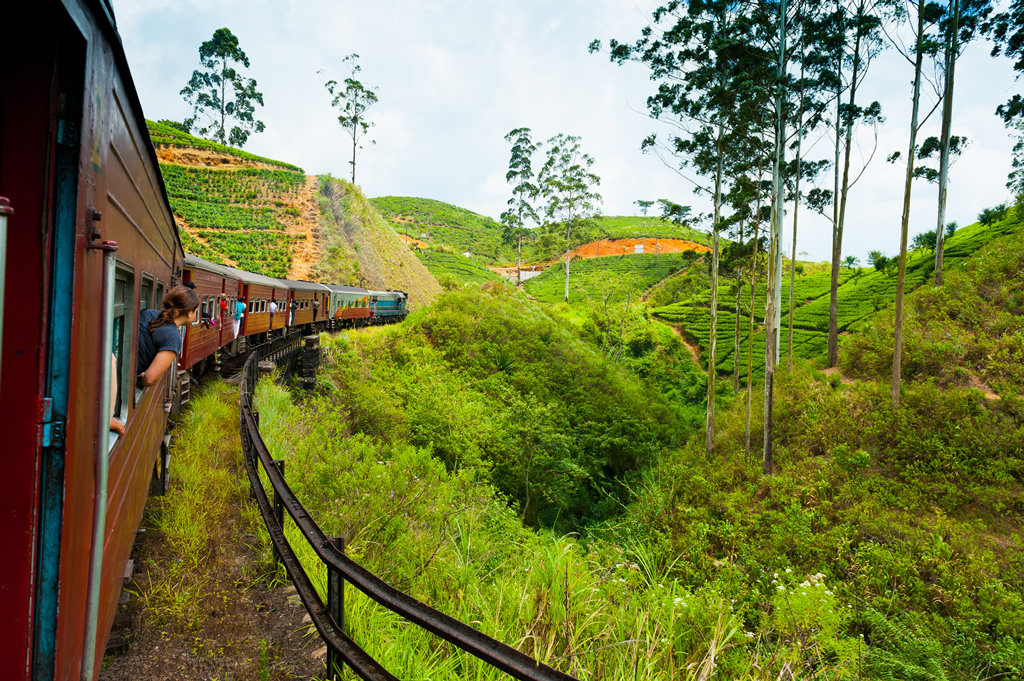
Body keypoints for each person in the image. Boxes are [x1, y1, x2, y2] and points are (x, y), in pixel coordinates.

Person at [137, 285, 200, 389]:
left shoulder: (149, 314)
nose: (195, 316)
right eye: (195, 312)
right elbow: (150, 379)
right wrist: (141, 380)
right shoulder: (174, 338)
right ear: (189, 313)